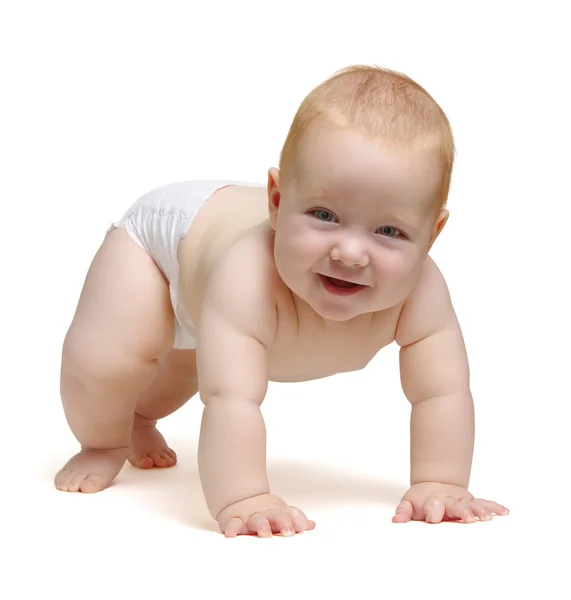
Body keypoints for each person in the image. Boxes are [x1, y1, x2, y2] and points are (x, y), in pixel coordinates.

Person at [54, 64, 509, 537]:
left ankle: (141, 419)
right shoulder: (246, 275)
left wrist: (441, 482)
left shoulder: (422, 294)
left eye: (389, 230)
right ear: (277, 201)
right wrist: (244, 496)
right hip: (165, 241)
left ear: (432, 235)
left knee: (188, 362)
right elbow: (231, 400)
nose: (350, 253)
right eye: (324, 214)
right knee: (108, 360)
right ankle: (104, 443)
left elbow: (442, 393)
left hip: (214, 285)